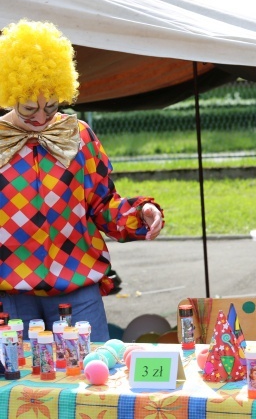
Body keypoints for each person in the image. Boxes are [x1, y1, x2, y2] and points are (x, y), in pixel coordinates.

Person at [0, 20, 164, 342]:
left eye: (52, 106)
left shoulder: (81, 137)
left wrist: (139, 213)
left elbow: (103, 205)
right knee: (15, 390)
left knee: (91, 384)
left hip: (77, 289)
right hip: (11, 293)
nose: (42, 118)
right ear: (9, 94)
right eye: (29, 107)